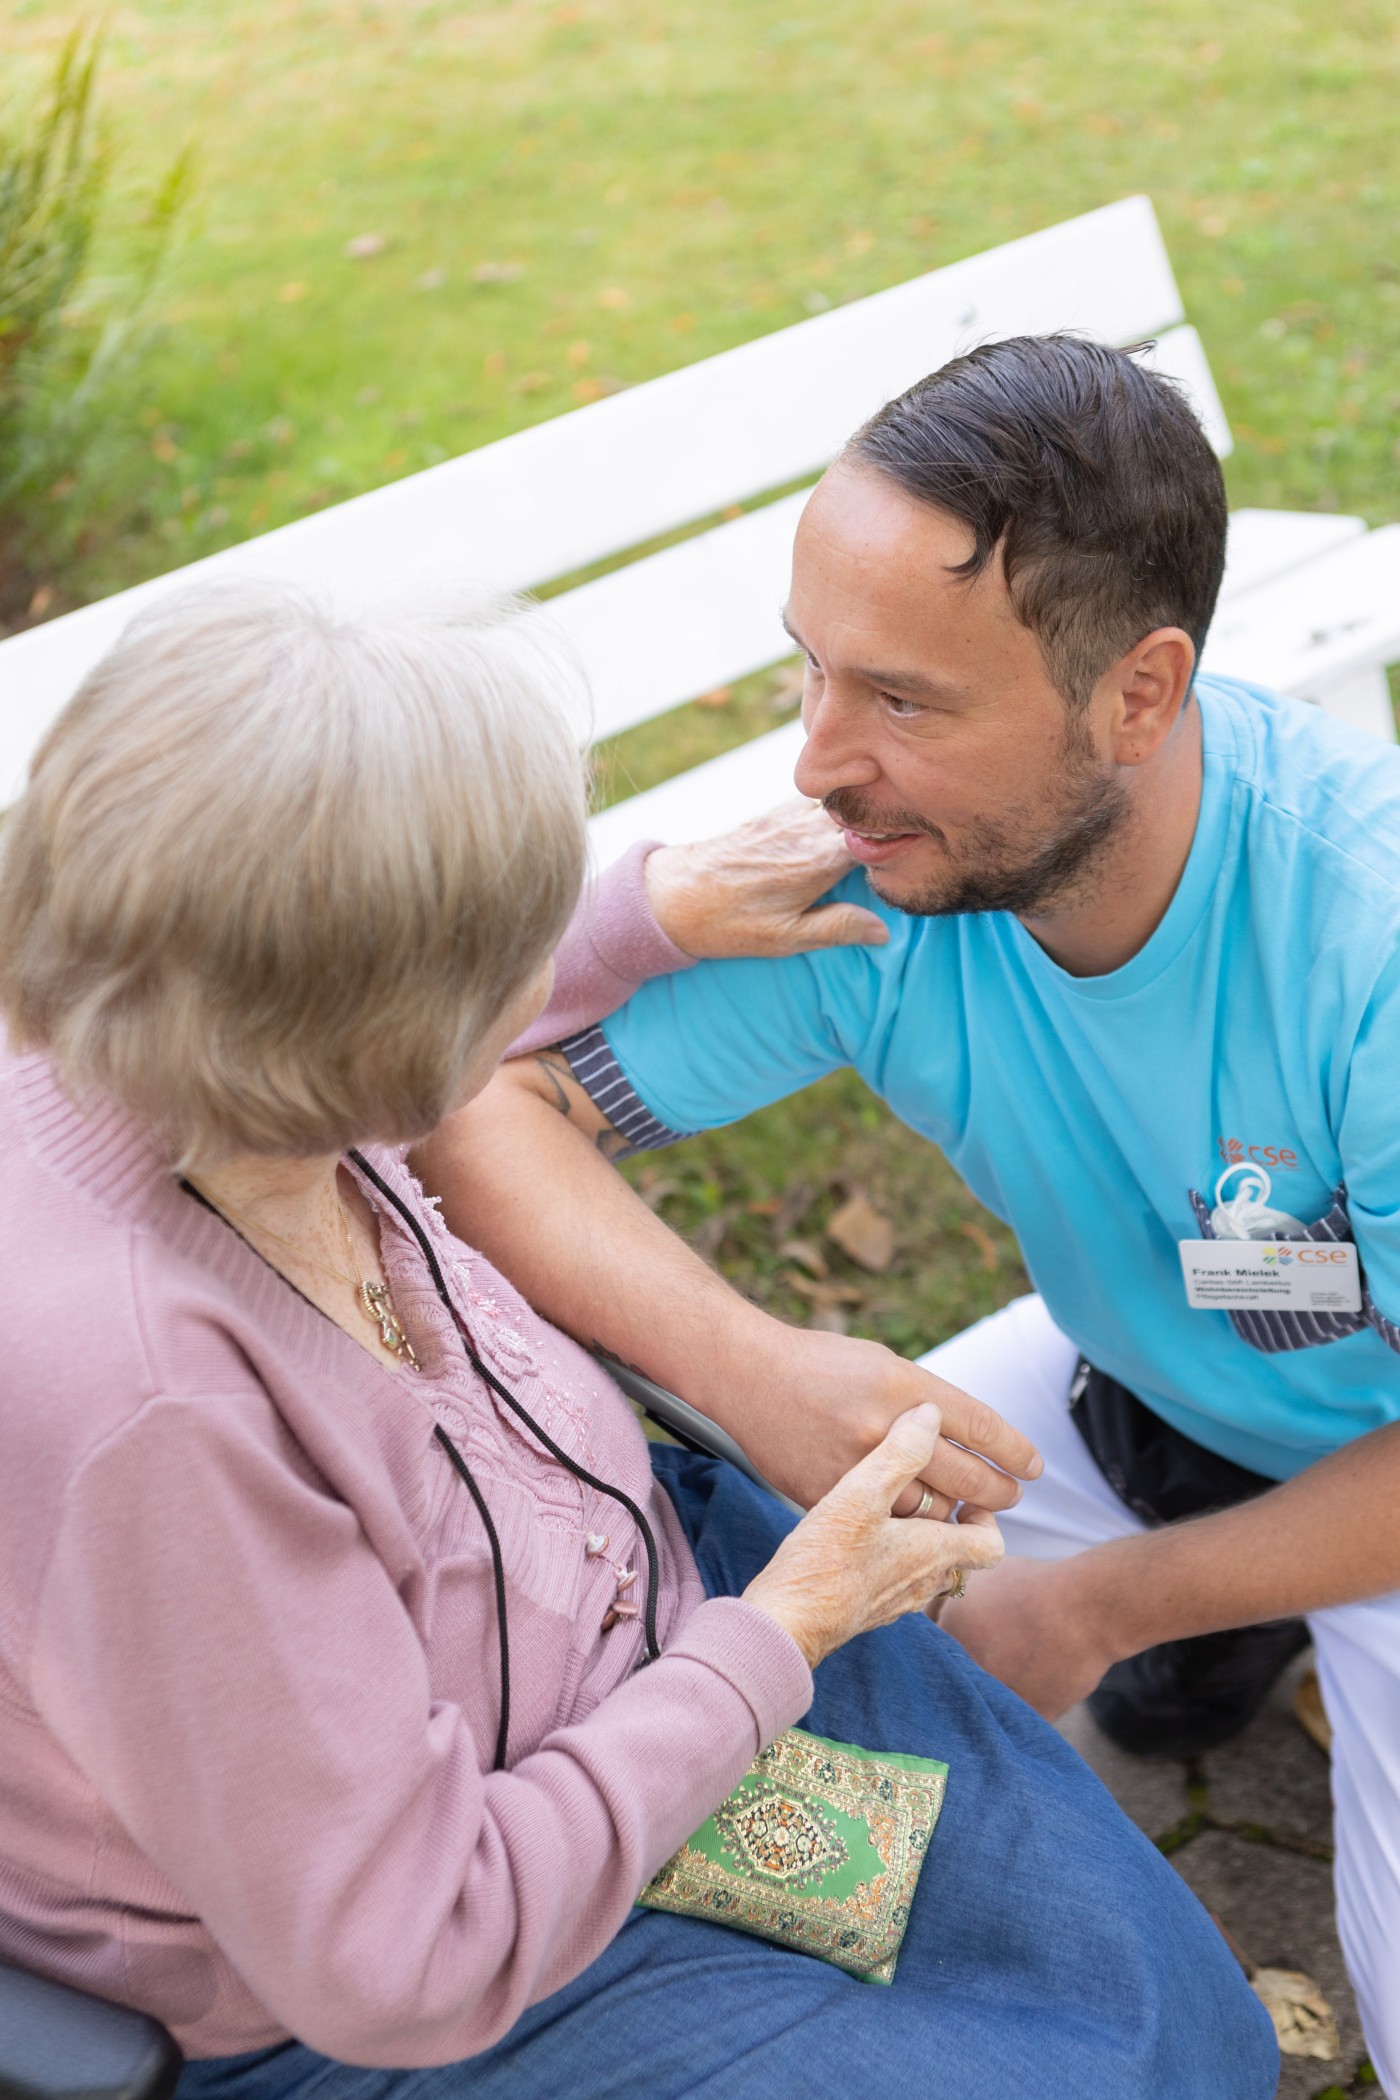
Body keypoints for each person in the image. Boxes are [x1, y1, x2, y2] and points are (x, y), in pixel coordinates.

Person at [0, 583, 1275, 2100]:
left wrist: (638, 917)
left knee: (1156, 2005)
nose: (547, 971)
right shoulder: (154, 1418)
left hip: (627, 1637)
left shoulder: (163, 1029)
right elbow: (410, 1958)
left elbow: (313, 946)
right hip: (444, 1963)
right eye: (519, 950)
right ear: (374, 1037)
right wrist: (780, 1637)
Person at [427, 333, 1400, 2091]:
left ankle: (1213, 1628)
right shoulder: (887, 881)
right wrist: (760, 1365)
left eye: (904, 702)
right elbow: (484, 1097)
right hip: (1132, 1380)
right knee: (719, 1638)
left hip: (1384, 1469)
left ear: (1139, 694)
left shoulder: (1370, 946)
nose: (817, 764)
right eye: (812, 675)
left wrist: (1104, 1606)